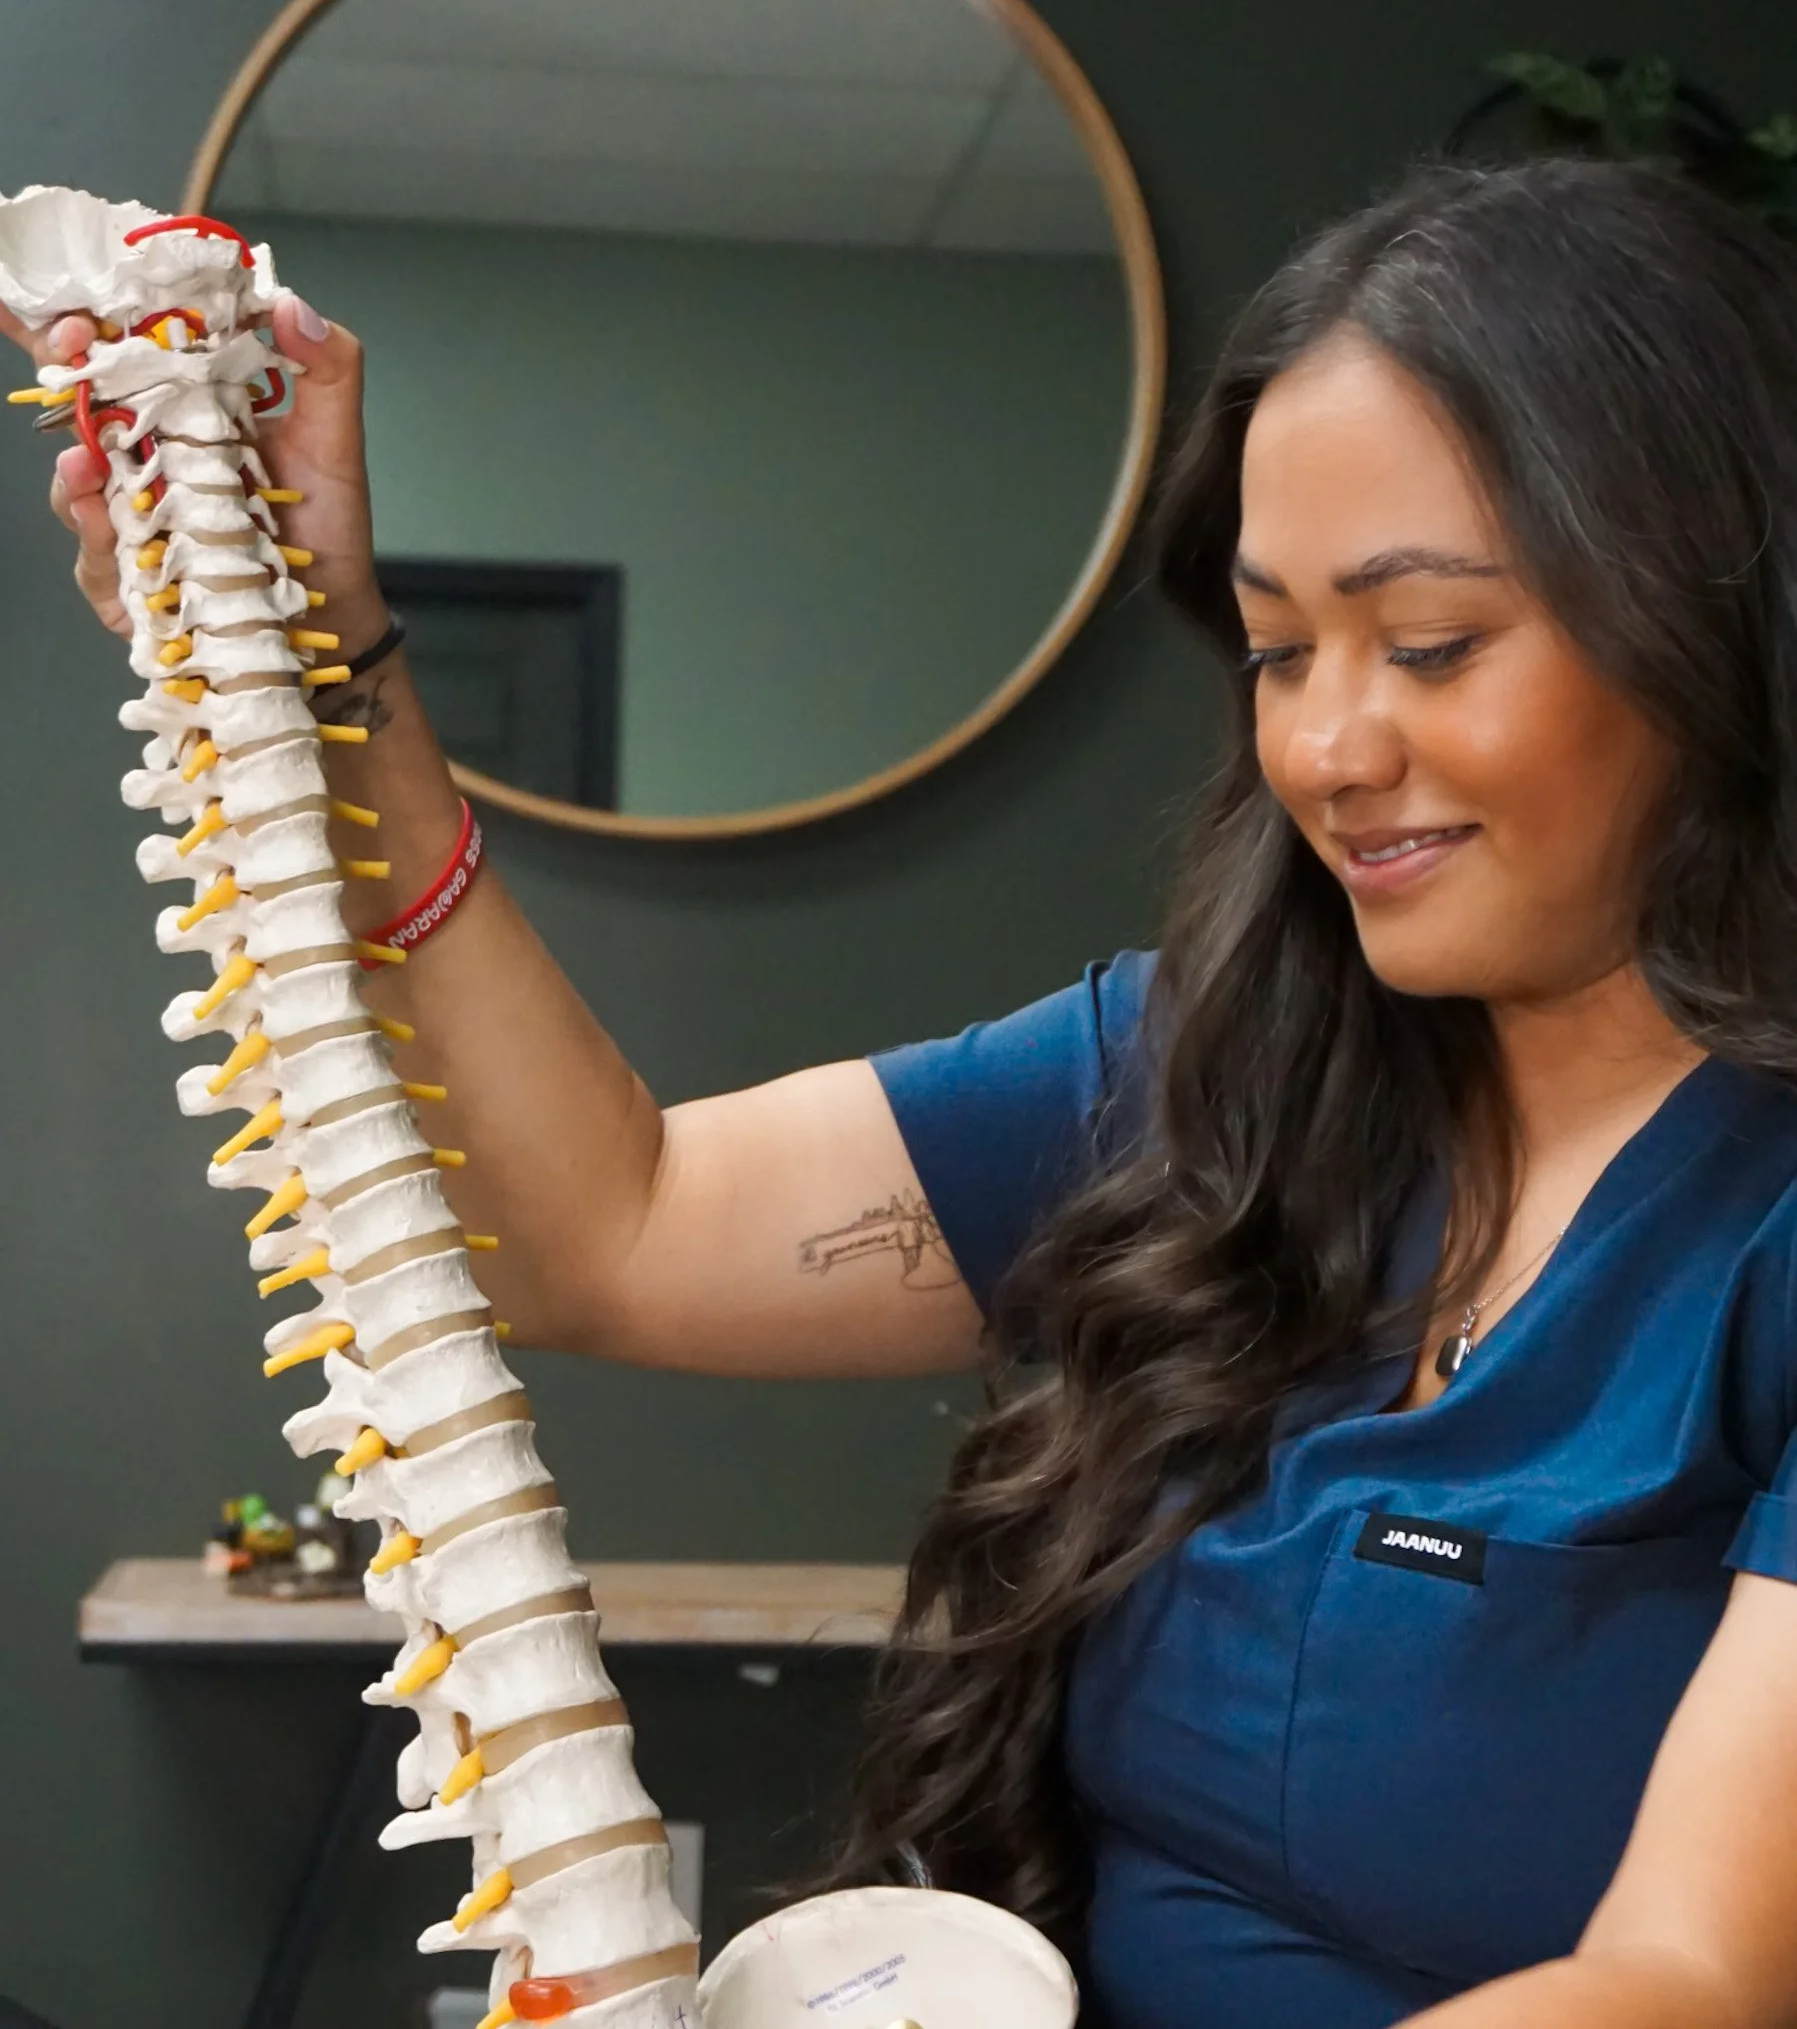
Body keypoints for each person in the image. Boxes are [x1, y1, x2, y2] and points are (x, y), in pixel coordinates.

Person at [16, 153, 1797, 2029]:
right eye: (1280, 653)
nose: (1330, 748)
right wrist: (319, 653)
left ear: (1714, 627)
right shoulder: (1200, 1080)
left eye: (1430, 643)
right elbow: (607, 1231)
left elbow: (1694, 1977)